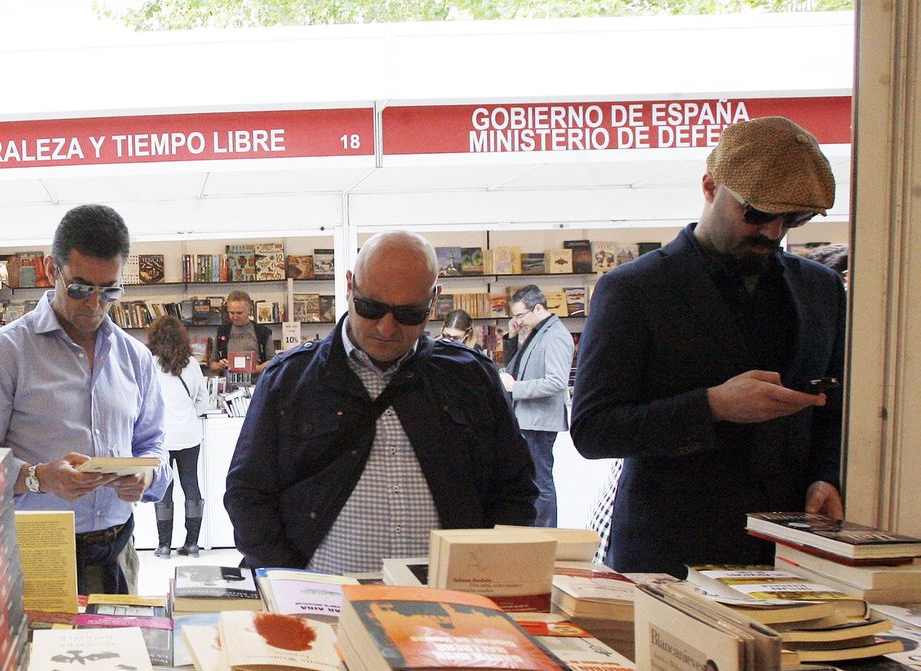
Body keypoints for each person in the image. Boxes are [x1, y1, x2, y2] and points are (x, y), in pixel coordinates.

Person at [571, 116, 844, 576]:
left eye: (794, 218)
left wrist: (827, 474)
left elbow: (834, 405)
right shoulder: (633, 289)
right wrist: (712, 405)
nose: (774, 232)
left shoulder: (822, 289)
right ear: (710, 186)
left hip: (795, 556)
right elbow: (594, 430)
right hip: (672, 553)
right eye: (756, 214)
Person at [225, 231, 536, 575]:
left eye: (408, 313)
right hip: (322, 603)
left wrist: (486, 576)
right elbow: (247, 493)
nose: (387, 328)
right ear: (349, 287)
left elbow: (514, 490)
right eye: (371, 308)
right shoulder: (289, 379)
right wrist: (288, 578)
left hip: (446, 608)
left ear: (434, 300)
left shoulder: (471, 377)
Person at [0, 203, 170, 594]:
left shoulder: (135, 357)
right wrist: (38, 478)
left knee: (119, 652)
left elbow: (155, 445)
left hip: (119, 549)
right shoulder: (5, 352)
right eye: (80, 288)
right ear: (52, 270)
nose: (94, 304)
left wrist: (149, 475)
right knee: (37, 654)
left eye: (109, 291)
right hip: (38, 551)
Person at [500, 284, 576, 528]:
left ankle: (546, 534)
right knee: (532, 480)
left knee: (541, 482)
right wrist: (512, 338)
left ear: (539, 308)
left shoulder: (555, 335)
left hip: (540, 421)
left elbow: (556, 382)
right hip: (529, 418)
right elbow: (516, 367)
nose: (517, 321)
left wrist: (516, 389)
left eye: (520, 315)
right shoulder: (537, 331)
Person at [147, 315, 214, 558]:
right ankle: (192, 544)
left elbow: (144, 401)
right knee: (191, 484)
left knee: (164, 487)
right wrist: (188, 416)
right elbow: (202, 401)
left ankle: (164, 545)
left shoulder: (149, 364)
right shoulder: (193, 364)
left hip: (160, 437)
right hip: (188, 435)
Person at [207, 290, 276, 376]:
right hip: (229, 384)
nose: (235, 317)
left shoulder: (262, 332)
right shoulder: (222, 332)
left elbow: (273, 362)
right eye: (231, 313)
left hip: (256, 385)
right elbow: (212, 364)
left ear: (249, 311)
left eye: (239, 313)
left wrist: (256, 369)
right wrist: (219, 366)